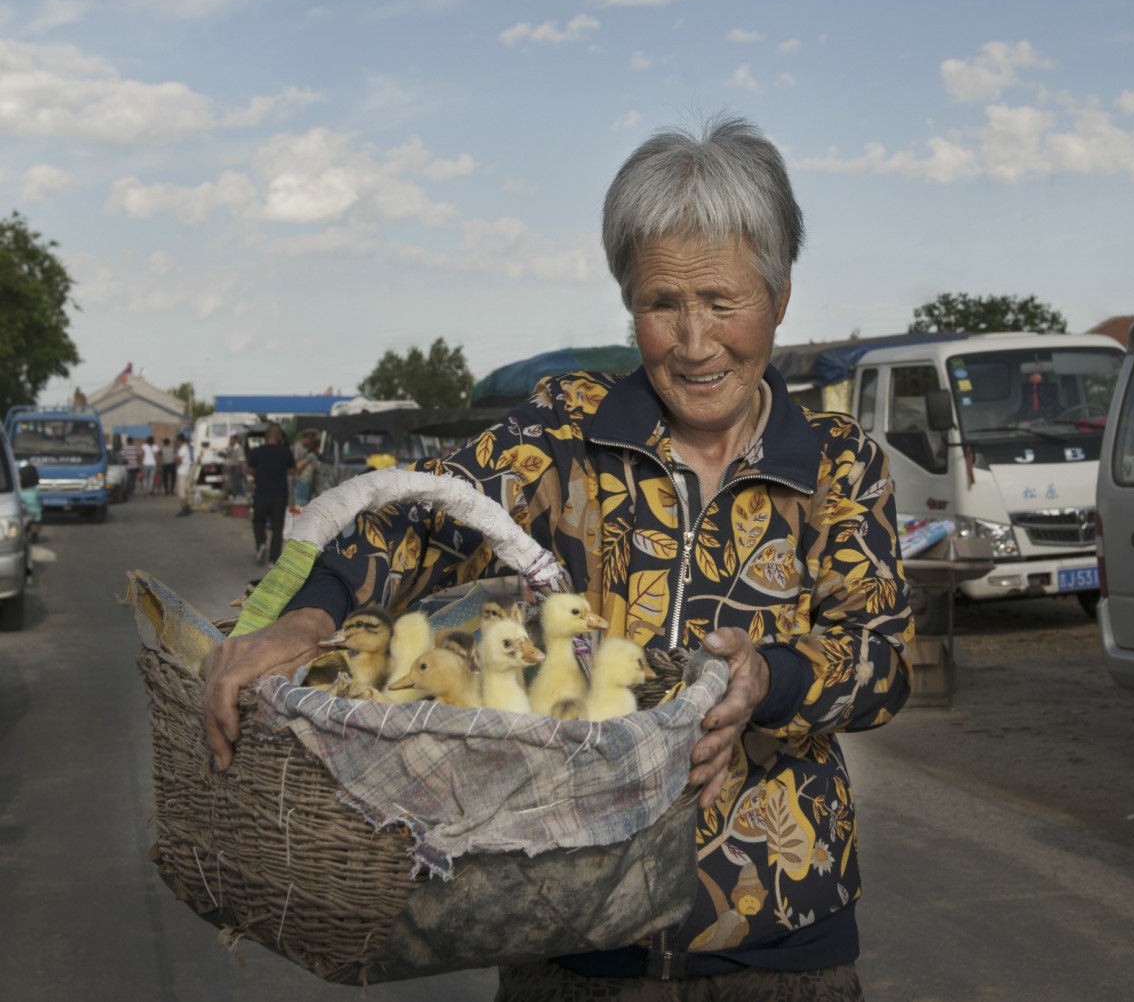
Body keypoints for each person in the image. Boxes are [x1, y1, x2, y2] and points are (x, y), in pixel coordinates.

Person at [203, 118, 913, 1001]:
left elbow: (880, 660)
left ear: (780, 291)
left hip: (777, 944)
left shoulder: (839, 462)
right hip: (571, 934)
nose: (693, 342)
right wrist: (310, 614)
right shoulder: (566, 429)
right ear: (629, 302)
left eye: (723, 302)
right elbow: (418, 519)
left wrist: (769, 678)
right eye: (661, 305)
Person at [245, 423, 295, 564]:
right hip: (280, 494)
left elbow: (250, 470)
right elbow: (291, 471)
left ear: (267, 436)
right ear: (279, 437)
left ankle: (261, 543)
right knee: (277, 527)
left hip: (262, 493)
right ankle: (274, 559)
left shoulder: (257, 452)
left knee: (258, 520)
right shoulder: (286, 452)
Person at [294, 433, 321, 507]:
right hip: (304, 481)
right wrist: (298, 475)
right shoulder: (311, 456)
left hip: (307, 482)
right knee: (301, 504)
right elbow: (299, 466)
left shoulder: (313, 456)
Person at [174, 432, 195, 517]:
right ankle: (187, 507)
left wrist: (175, 457)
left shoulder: (182, 449)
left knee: (181, 492)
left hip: (182, 472)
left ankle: (184, 508)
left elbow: (179, 461)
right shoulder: (186, 448)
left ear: (179, 441)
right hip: (186, 471)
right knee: (185, 491)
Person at [225, 434, 247, 500]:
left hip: (237, 468)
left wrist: (242, 470)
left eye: (231, 440)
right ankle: (236, 497)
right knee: (234, 484)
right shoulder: (233, 448)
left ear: (235, 440)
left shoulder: (239, 448)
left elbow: (242, 460)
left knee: (237, 484)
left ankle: (239, 498)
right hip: (233, 468)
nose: (230, 441)